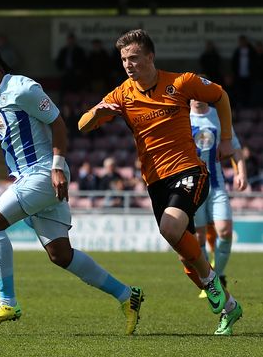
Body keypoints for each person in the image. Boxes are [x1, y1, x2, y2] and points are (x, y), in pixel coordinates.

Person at [0, 40, 143, 335]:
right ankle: (128, 296)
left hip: (43, 173)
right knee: (60, 255)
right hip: (26, 178)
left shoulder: (23, 89)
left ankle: (7, 301)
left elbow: (58, 124)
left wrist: (57, 167)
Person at [78, 29, 242, 335]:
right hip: (156, 183)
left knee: (169, 228)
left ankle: (212, 283)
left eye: (134, 57)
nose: (128, 64)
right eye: (124, 59)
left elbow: (221, 97)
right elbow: (82, 126)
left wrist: (228, 140)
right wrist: (97, 113)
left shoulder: (181, 83)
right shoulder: (122, 94)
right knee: (185, 257)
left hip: (190, 171)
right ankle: (229, 307)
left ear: (150, 57)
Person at [190, 99, 247, 299]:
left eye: (200, 94)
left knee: (225, 230)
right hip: (193, 186)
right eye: (193, 94)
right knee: (198, 237)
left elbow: (235, 147)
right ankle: (209, 280)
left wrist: (241, 173)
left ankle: (219, 275)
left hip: (216, 184)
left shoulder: (219, 116)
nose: (196, 98)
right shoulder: (182, 116)